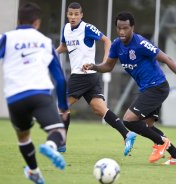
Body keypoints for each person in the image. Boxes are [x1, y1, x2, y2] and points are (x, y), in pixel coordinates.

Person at [83, 12, 176, 165]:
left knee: (129, 120)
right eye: (119, 28)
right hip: (147, 89)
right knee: (147, 126)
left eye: (125, 28)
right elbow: (108, 66)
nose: (122, 32)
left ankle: (162, 143)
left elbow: (167, 59)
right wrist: (94, 66)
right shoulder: (117, 44)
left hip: (157, 87)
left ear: (132, 28)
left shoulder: (141, 44)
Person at [0, 2, 69, 184]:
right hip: (39, 94)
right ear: (37, 23)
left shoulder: (6, 38)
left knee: (23, 136)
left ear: (18, 20)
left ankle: (33, 171)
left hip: (14, 97)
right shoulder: (45, 42)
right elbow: (60, 79)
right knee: (58, 131)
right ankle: (51, 145)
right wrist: (64, 106)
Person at [56, 2, 136, 156]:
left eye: (76, 14)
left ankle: (61, 143)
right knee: (99, 109)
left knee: (62, 107)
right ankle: (127, 134)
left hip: (82, 76)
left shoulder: (87, 28)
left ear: (81, 15)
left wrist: (105, 63)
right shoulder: (66, 29)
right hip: (88, 77)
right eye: (70, 14)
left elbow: (107, 40)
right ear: (67, 14)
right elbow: (64, 46)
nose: (73, 17)